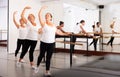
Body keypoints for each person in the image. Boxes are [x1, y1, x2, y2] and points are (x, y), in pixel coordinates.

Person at [35, 6, 69, 76]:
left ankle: (47, 71)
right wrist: (41, 9)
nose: (47, 16)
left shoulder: (54, 25)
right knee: (41, 56)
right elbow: (39, 16)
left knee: (48, 58)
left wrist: (66, 33)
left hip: (51, 44)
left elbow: (58, 32)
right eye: (46, 16)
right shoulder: (43, 24)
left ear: (51, 17)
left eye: (48, 15)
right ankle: (37, 66)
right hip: (44, 43)